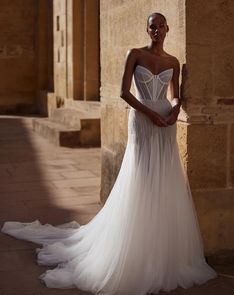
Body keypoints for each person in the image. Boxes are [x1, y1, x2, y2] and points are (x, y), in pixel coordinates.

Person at [1, 12, 217, 295]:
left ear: (167, 28)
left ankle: (160, 247)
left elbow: (175, 94)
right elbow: (124, 93)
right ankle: (133, 245)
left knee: (164, 176)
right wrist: (151, 113)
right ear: (147, 28)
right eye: (152, 26)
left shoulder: (173, 62)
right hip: (142, 119)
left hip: (166, 123)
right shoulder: (135, 54)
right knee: (142, 174)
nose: (157, 30)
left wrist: (174, 109)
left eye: (161, 26)